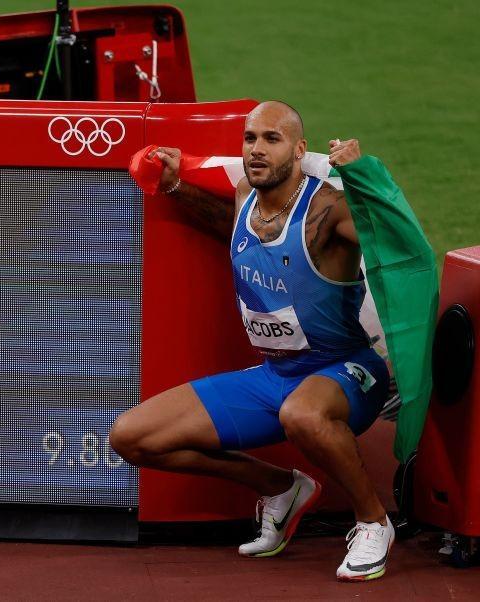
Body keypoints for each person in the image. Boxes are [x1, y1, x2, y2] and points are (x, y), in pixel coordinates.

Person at [109, 101, 395, 582]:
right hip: (275, 375)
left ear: (300, 150)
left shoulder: (329, 212)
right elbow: (239, 234)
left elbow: (394, 246)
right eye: (249, 139)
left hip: (346, 370)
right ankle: (282, 489)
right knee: (132, 437)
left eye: (271, 139)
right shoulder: (246, 196)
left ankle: (374, 522)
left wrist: (366, 180)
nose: (256, 150)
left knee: (301, 413)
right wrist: (177, 187)